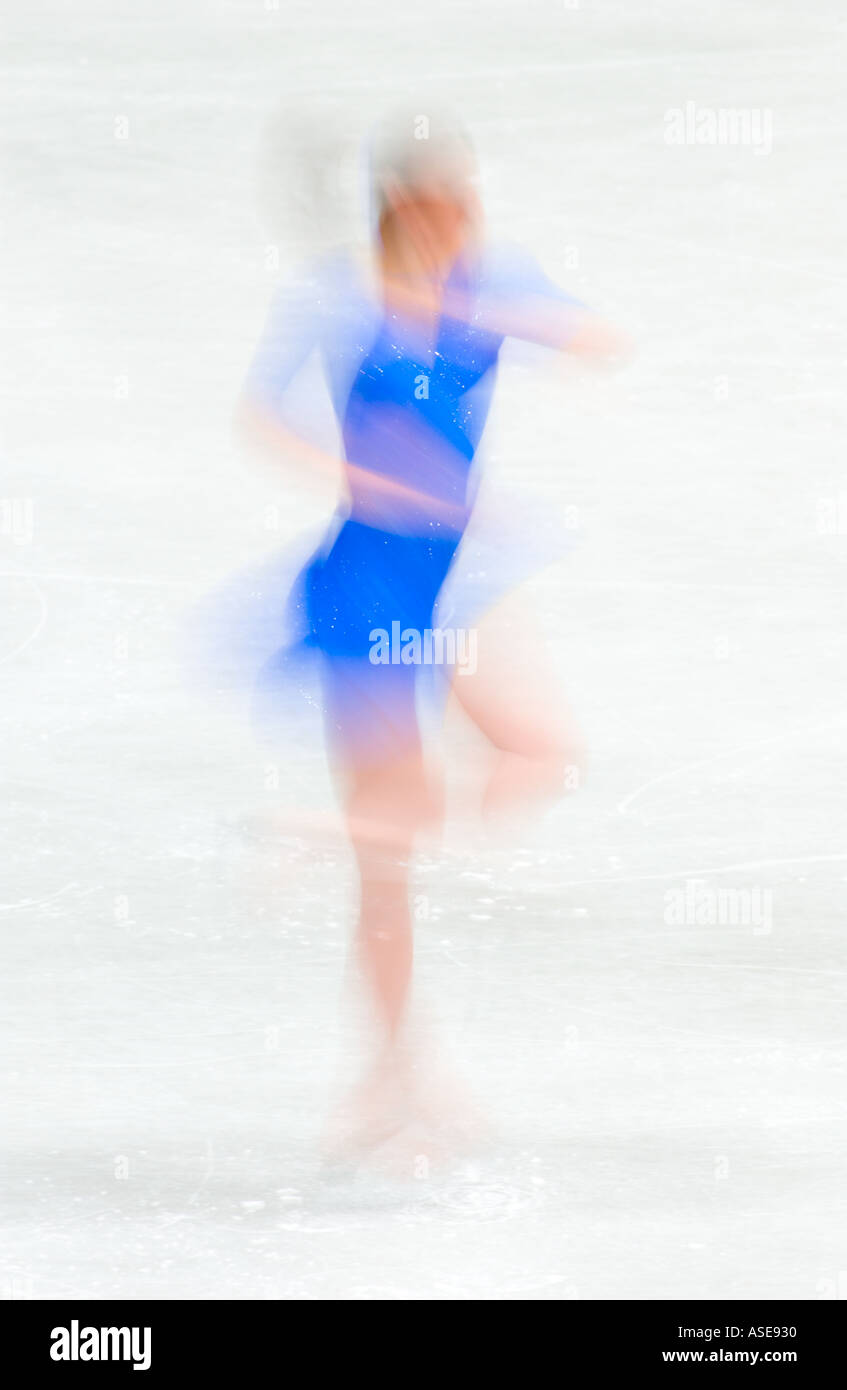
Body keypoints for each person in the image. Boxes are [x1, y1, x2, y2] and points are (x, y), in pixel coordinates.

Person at [235, 113, 629, 1159]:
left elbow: (597, 339)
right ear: (408, 209)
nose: (470, 222)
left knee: (542, 751)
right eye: (452, 206)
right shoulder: (338, 299)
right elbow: (259, 416)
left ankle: (330, 832)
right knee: (389, 880)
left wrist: (507, 311)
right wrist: (355, 475)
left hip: (460, 578)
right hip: (367, 588)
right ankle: (392, 1075)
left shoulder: (485, 280)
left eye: (472, 206)